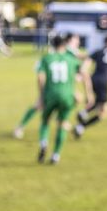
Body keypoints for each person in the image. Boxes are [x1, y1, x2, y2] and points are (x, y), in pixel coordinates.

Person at [14, 33, 87, 139]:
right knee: (39, 105)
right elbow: (82, 59)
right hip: (53, 84)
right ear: (69, 41)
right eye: (76, 40)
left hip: (64, 84)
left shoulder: (67, 51)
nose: (78, 42)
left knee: (77, 98)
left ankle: (61, 120)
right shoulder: (67, 51)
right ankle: (20, 127)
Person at [35, 34, 85, 165]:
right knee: (62, 124)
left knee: (45, 121)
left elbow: (40, 78)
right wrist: (80, 92)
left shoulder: (46, 58)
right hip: (67, 96)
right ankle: (56, 155)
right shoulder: (71, 59)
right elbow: (82, 74)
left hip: (50, 94)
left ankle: (44, 143)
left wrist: (40, 96)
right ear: (64, 45)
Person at [73, 35, 107, 139]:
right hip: (104, 81)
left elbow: (86, 62)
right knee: (105, 111)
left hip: (93, 79)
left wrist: (81, 73)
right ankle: (81, 124)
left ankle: (83, 116)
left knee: (98, 103)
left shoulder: (98, 51)